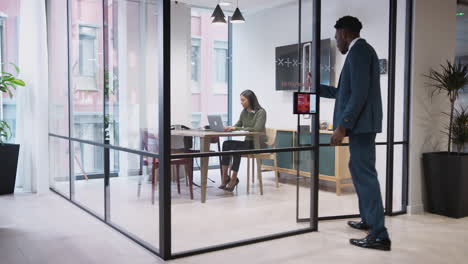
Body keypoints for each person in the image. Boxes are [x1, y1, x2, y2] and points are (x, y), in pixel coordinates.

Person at [319, 16, 391, 251]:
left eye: (337, 36)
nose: (336, 41)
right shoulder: (360, 52)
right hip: (362, 125)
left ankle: (379, 235)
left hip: (361, 126)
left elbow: (358, 94)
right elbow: (345, 92)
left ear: (345, 33)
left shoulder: (359, 52)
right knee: (359, 171)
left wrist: (343, 126)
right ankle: (369, 220)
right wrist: (316, 88)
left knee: (365, 175)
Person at [220, 90, 267, 192]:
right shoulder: (244, 112)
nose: (241, 102)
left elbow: (257, 129)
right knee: (226, 144)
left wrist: (236, 129)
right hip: (248, 143)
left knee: (237, 149)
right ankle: (225, 177)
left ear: (250, 100)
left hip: (258, 144)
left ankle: (233, 179)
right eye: (241, 100)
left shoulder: (261, 112)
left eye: (243, 100)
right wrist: (231, 127)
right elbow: (239, 124)